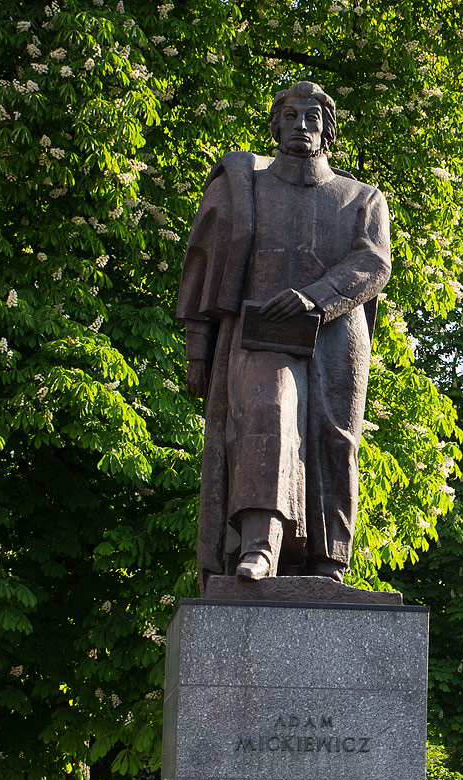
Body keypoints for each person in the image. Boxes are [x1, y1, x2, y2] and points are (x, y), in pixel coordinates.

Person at [177, 81, 393, 586]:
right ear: (275, 126)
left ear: (328, 131)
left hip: (336, 332)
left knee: (334, 438)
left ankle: (328, 560)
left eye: (313, 118)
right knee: (268, 415)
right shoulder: (243, 187)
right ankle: (259, 545)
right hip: (260, 332)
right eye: (292, 116)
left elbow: (374, 263)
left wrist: (316, 296)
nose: (302, 126)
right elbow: (203, 267)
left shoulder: (360, 197)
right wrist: (198, 349)